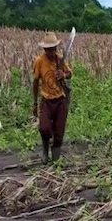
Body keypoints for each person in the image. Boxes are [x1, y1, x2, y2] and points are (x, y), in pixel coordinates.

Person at [32, 31, 72, 164]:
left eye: (53, 49)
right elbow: (35, 82)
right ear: (44, 49)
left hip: (60, 100)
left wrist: (63, 75)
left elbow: (69, 74)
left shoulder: (60, 59)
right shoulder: (39, 61)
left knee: (59, 132)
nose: (51, 52)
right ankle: (45, 152)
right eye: (48, 49)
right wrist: (35, 103)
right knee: (44, 128)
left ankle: (55, 160)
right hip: (46, 100)